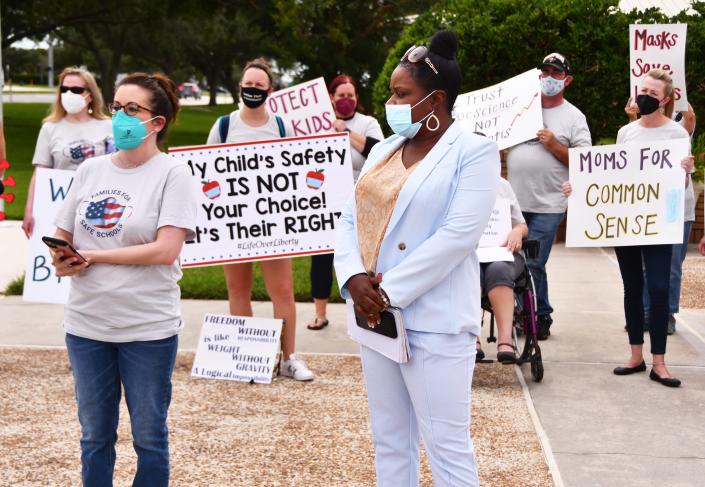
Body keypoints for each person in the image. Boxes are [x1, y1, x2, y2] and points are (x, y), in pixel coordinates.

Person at [335, 30, 498, 486]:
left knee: (446, 448)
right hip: (377, 319)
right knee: (389, 440)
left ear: (436, 99)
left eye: (401, 94)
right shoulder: (385, 148)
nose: (391, 101)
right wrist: (352, 279)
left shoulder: (474, 151)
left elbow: (458, 236)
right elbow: (351, 219)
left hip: (436, 322)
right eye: (391, 92)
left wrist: (386, 291)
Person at [50, 72, 197, 485]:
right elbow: (62, 235)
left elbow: (166, 250)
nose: (120, 117)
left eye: (132, 109)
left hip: (147, 330)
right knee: (95, 436)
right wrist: (62, 258)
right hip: (86, 326)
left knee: (149, 437)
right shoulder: (91, 171)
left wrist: (93, 255)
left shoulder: (174, 174)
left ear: (157, 122)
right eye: (117, 107)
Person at [205, 58, 314, 381]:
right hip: (235, 224)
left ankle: (288, 358)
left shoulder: (282, 127)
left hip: (274, 224)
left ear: (270, 90)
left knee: (283, 292)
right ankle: (245, 358)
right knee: (238, 290)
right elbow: (206, 170)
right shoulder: (224, 126)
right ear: (240, 87)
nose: (252, 90)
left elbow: (296, 170)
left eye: (258, 86)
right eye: (248, 85)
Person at [610, 69, 694, 387]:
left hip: (658, 223)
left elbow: (678, 185)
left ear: (664, 100)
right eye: (642, 88)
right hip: (628, 222)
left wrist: (685, 172)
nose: (644, 94)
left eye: (652, 92)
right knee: (632, 287)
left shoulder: (677, 135)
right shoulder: (626, 133)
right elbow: (614, 180)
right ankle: (635, 355)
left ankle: (659, 361)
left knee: (658, 288)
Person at [506, 52, 591, 340]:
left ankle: (539, 316)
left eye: (556, 74)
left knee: (533, 263)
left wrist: (554, 145)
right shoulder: (522, 109)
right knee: (510, 262)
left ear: (567, 79)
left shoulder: (574, 117)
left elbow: (585, 163)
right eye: (545, 72)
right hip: (514, 204)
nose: (549, 78)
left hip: (548, 204)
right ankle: (521, 312)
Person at [307, 74, 383, 331]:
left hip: (360, 204)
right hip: (325, 202)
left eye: (351, 96)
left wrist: (345, 132)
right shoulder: (317, 124)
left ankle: (365, 310)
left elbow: (379, 152)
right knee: (321, 258)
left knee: (361, 259)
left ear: (356, 98)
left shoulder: (367, 122)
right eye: (341, 96)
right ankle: (320, 313)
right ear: (331, 98)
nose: (346, 100)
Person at [625, 98, 697, 334]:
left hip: (675, 208)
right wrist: (632, 118)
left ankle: (666, 314)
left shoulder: (679, 128)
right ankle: (645, 313)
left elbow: (690, 119)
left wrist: (681, 95)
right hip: (646, 205)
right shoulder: (633, 128)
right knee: (646, 265)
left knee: (672, 266)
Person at [23, 66, 114, 237]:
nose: (69, 94)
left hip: (99, 206)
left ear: (90, 95)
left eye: (76, 89)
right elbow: (40, 172)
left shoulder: (108, 126)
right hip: (59, 207)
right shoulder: (50, 128)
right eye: (64, 89)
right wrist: (29, 209)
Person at [476, 177, 528, 363]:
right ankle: (471, 338)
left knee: (499, 268)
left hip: (502, 253)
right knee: (469, 271)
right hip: (469, 255)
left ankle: (505, 340)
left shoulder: (502, 185)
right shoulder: (452, 182)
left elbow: (521, 224)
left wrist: (517, 232)